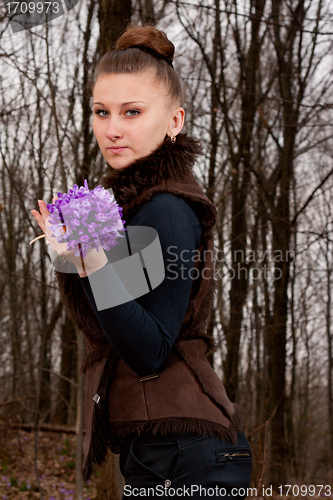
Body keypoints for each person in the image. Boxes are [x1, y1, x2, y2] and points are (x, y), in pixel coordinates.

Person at [31, 24, 252, 500]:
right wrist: (74, 260)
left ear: (175, 121)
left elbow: (149, 348)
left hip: (188, 455)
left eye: (132, 112)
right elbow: (112, 321)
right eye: (101, 111)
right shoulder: (137, 205)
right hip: (162, 450)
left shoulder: (169, 208)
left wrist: (89, 262)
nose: (112, 129)